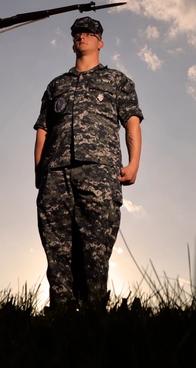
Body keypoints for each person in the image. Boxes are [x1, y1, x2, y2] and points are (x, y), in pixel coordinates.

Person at [34, 16, 143, 310]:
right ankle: (60, 315)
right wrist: (39, 173)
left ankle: (93, 316)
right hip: (56, 174)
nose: (82, 35)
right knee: (57, 251)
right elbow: (43, 129)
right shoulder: (57, 85)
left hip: (99, 172)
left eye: (89, 32)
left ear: (100, 42)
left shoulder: (117, 81)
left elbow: (131, 121)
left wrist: (134, 163)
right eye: (77, 32)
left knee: (95, 251)